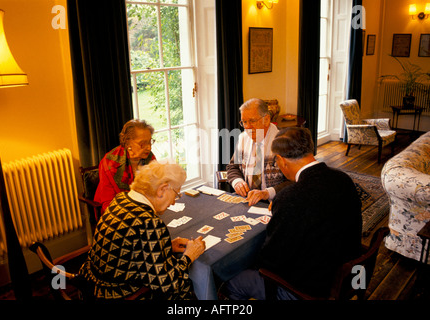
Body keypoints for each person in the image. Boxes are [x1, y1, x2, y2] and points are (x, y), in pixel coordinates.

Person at [225, 127, 362, 300]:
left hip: (311, 290)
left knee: (233, 281)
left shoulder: (290, 197)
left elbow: (271, 262)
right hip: (349, 272)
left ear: (281, 161)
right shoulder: (344, 178)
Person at [79, 161, 206, 300]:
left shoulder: (121, 198)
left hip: (90, 282)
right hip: (114, 293)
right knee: (184, 285)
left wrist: (167, 246)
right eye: (176, 194)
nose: (174, 202)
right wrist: (189, 256)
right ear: (162, 190)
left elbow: (132, 246)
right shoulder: (149, 222)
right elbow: (167, 285)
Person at [226, 98, 291, 206]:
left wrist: (266, 193)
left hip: (275, 202)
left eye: (252, 121)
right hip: (248, 199)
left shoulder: (284, 142)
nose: (247, 127)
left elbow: (294, 180)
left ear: (266, 119)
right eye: (244, 122)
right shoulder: (243, 138)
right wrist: (237, 182)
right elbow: (232, 167)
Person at [94, 119, 157, 214]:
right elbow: (108, 201)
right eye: (142, 144)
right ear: (128, 144)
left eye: (150, 142)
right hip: (116, 210)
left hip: (143, 207)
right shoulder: (109, 162)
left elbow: (155, 186)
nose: (149, 147)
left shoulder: (150, 157)